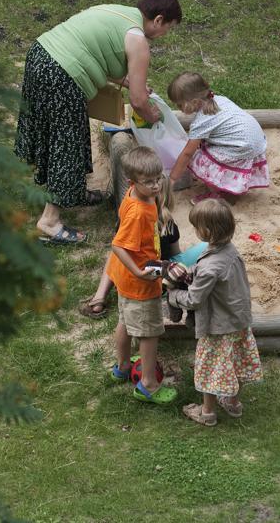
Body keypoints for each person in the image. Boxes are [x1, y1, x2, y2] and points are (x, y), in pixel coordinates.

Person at [15, 0, 182, 245]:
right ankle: (49, 222)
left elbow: (96, 52)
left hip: (40, 56)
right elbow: (138, 102)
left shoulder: (115, 11)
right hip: (62, 75)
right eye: (167, 28)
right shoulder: (139, 41)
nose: (164, 35)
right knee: (66, 142)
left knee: (58, 129)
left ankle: (72, 191)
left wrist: (127, 81)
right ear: (158, 19)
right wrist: (154, 116)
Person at [168, 199, 263, 426]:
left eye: (196, 227)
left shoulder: (211, 267)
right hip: (238, 319)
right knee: (233, 361)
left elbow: (194, 299)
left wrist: (172, 296)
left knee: (210, 367)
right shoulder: (229, 250)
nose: (194, 230)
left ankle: (207, 412)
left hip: (217, 327)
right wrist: (191, 273)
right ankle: (232, 403)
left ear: (207, 231)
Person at [77, 175, 208, 320]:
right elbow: (174, 253)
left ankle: (99, 297)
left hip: (133, 273)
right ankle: (172, 284)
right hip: (159, 275)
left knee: (117, 251)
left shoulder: (134, 215)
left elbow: (121, 245)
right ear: (168, 197)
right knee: (205, 246)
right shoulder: (168, 223)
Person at [107, 147, 180, 404]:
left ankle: (123, 366)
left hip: (125, 280)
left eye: (158, 178)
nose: (156, 185)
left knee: (125, 322)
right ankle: (148, 384)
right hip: (139, 281)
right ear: (131, 182)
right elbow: (118, 244)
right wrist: (139, 271)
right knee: (149, 332)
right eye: (148, 182)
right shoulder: (138, 212)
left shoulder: (138, 196)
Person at [166, 72, 270, 203]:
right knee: (203, 144)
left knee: (198, 155)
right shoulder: (220, 99)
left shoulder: (202, 121)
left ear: (194, 102)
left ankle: (219, 196)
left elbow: (187, 153)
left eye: (180, 105)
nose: (178, 108)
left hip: (242, 148)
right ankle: (231, 187)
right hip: (257, 143)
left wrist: (172, 180)